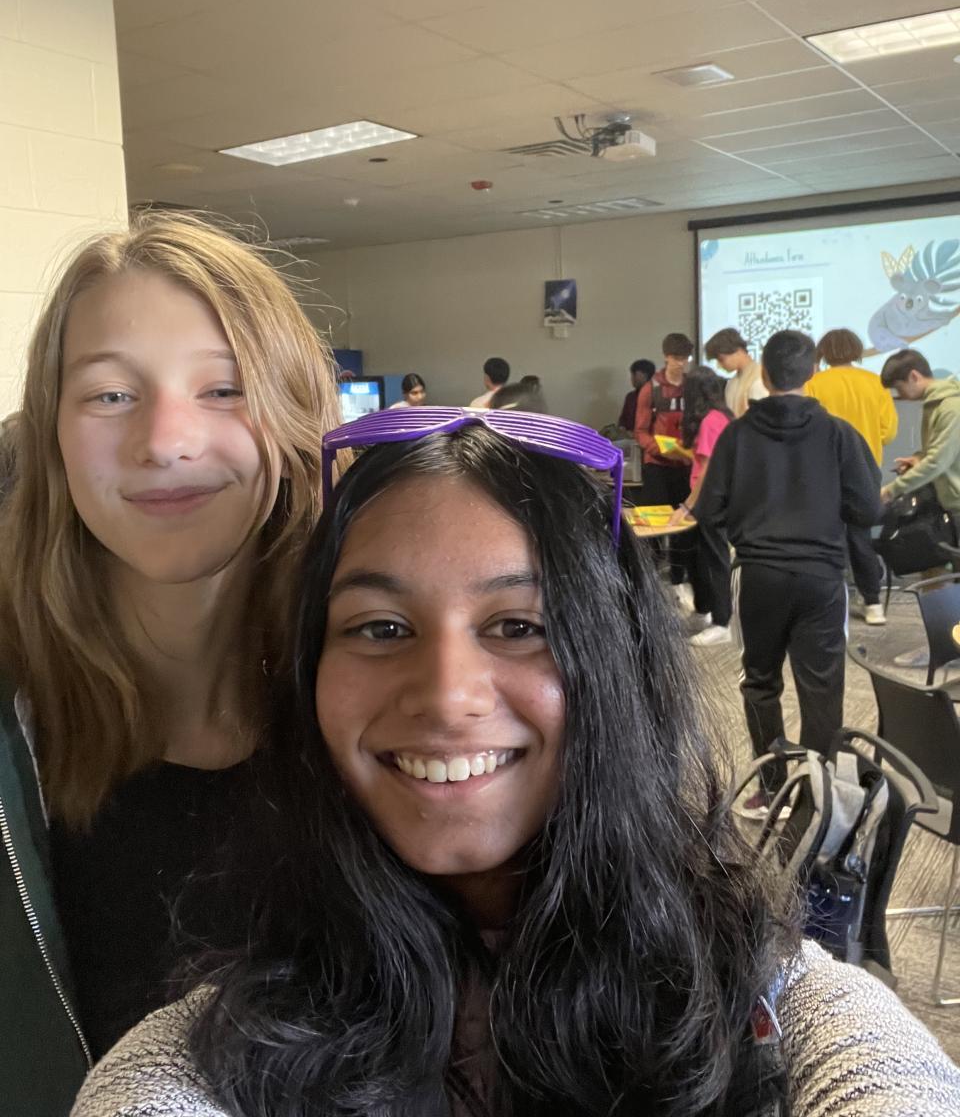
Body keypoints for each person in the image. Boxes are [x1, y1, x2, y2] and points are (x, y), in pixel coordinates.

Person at [72, 410, 960, 1117]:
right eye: (381, 628)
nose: (447, 695)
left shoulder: (773, 1003)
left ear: (616, 662)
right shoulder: (213, 1042)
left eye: (517, 626)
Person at [0, 213, 340, 1116]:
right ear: (49, 432)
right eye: (111, 395)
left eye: (223, 389)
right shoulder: (15, 727)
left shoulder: (377, 694)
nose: (165, 441)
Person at [695, 331, 882, 819]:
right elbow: (867, 509)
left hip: (758, 575)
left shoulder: (737, 435)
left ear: (765, 373)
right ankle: (816, 794)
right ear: (812, 373)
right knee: (822, 688)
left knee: (760, 683)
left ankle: (772, 789)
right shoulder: (839, 434)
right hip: (822, 577)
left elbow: (709, 510)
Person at [806, 329, 897, 626]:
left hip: (824, 471)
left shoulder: (814, 384)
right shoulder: (875, 383)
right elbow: (889, 432)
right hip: (865, 470)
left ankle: (832, 603)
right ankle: (873, 604)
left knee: (828, 536)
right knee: (860, 536)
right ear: (857, 350)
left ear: (824, 352)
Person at [878, 349, 960, 669]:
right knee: (935, 577)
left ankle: (941, 649)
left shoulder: (950, 406)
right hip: (947, 504)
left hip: (956, 504)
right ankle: (942, 647)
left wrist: (893, 489)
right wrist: (917, 459)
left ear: (914, 376)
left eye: (899, 387)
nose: (899, 396)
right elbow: (937, 454)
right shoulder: (935, 404)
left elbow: (939, 460)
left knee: (938, 580)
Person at [667, 366, 733, 646]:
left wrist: (686, 506)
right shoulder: (721, 416)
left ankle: (722, 622)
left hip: (710, 499)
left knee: (714, 559)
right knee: (697, 556)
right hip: (710, 497)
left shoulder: (710, 421)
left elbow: (706, 470)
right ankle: (703, 611)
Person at [633, 332, 695, 607]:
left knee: (684, 527)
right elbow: (640, 431)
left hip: (685, 465)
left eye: (685, 358)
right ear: (666, 357)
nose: (680, 363)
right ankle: (650, 583)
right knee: (654, 527)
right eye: (676, 358)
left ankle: (680, 581)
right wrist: (659, 448)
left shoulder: (692, 388)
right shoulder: (651, 389)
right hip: (657, 465)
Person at [704, 327, 768, 418]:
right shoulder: (731, 383)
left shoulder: (761, 376)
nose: (719, 366)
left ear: (738, 350)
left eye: (721, 359)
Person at [617, 358, 655, 433]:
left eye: (634, 375)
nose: (632, 379)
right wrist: (622, 427)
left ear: (645, 375)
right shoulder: (630, 397)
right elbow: (623, 419)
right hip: (629, 437)